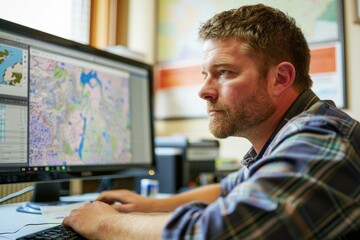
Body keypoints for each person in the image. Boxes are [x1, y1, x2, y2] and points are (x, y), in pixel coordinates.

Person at [63, 4, 360, 239]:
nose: (204, 90)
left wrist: (105, 224)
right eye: (205, 74)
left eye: (225, 72)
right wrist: (147, 205)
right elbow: (228, 190)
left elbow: (219, 233)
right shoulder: (291, 137)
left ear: (280, 78)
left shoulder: (320, 138)